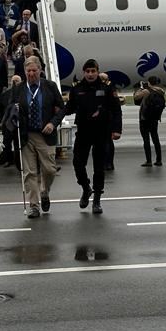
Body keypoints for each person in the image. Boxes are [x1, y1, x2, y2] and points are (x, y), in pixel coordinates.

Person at [65, 59, 122, 215]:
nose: (90, 74)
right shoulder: (77, 89)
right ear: (84, 72)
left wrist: (117, 129)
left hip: (101, 132)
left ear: (97, 72)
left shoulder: (107, 88)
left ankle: (97, 199)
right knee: (78, 163)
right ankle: (85, 188)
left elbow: (116, 109)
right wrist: (56, 109)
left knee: (99, 167)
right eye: (87, 71)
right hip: (83, 132)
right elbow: (69, 107)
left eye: (93, 71)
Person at [12, 57, 66, 219]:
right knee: (30, 173)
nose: (31, 74)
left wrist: (53, 123)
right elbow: (9, 109)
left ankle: (44, 191)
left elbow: (62, 109)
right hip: (26, 135)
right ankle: (34, 206)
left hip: (45, 134)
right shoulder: (19, 89)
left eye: (34, 70)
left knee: (49, 170)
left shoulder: (50, 86)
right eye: (28, 71)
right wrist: (13, 113)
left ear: (40, 70)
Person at [134, 76, 165, 166]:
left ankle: (148, 161)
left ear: (149, 82)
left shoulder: (146, 91)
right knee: (156, 139)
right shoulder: (161, 91)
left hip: (145, 118)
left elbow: (136, 98)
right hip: (155, 118)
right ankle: (159, 160)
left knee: (146, 140)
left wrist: (140, 87)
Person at [0, 74, 22, 168]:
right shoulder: (5, 94)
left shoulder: (23, 92)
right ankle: (8, 160)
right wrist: (0, 120)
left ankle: (19, 161)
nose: (15, 83)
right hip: (7, 123)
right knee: (6, 143)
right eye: (14, 81)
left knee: (18, 143)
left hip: (19, 122)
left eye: (17, 81)